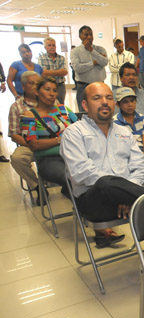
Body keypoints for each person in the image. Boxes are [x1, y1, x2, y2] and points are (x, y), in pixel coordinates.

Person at [60, 82, 144, 259]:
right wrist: (122, 191)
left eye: (109, 98)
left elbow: (140, 166)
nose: (104, 102)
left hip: (129, 199)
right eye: (97, 98)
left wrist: (125, 193)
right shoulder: (73, 133)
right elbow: (81, 172)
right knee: (107, 183)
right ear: (85, 105)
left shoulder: (124, 132)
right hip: (94, 202)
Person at [20, 77, 76, 196]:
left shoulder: (64, 110)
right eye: (47, 89)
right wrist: (60, 140)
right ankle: (81, 209)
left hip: (74, 155)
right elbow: (33, 144)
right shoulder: (29, 115)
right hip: (49, 160)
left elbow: (81, 129)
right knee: (71, 177)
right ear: (37, 92)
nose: (52, 94)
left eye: (55, 90)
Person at [8, 71, 41, 201]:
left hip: (53, 142)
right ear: (23, 86)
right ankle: (37, 186)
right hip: (29, 144)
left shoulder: (51, 100)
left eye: (38, 83)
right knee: (17, 158)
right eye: (32, 83)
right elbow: (14, 134)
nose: (36, 86)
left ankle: (67, 184)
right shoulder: (16, 107)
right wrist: (32, 144)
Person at [70, 25, 108, 112]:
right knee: (84, 113)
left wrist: (92, 50)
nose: (89, 37)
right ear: (80, 36)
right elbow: (77, 68)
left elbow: (104, 62)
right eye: (86, 35)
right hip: (83, 87)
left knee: (100, 111)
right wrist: (93, 63)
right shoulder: (75, 52)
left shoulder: (100, 49)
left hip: (100, 86)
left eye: (91, 34)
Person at [114, 87, 144, 152]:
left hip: (142, 154)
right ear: (118, 104)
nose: (130, 105)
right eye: (125, 102)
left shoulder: (142, 118)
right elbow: (120, 147)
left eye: (132, 101)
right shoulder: (114, 122)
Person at [38, 37, 68, 104]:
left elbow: (64, 72)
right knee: (48, 104)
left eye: (53, 45)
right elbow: (43, 73)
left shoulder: (61, 58)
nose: (52, 47)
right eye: (49, 45)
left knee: (60, 105)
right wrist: (58, 72)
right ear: (45, 47)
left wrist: (49, 72)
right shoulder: (41, 58)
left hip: (60, 87)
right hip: (47, 86)